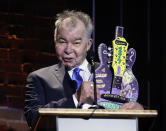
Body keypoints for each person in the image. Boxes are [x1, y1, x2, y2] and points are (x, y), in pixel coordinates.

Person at [24, 10, 143, 128]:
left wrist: (140, 111)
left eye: (76, 43)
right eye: (62, 41)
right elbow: (33, 119)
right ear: (55, 42)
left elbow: (133, 108)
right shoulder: (39, 78)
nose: (68, 50)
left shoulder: (110, 74)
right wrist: (75, 98)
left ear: (88, 45)